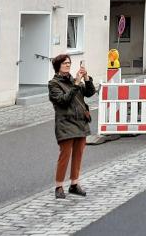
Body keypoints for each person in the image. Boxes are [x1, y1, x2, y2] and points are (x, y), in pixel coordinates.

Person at [47, 54, 96, 199]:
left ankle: (74, 184)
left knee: (78, 154)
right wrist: (76, 84)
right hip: (65, 123)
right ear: (58, 66)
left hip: (80, 121)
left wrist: (86, 78)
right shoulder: (53, 84)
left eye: (69, 63)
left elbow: (90, 92)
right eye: (64, 63)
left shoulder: (74, 80)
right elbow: (63, 100)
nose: (67, 65)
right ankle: (59, 186)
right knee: (65, 155)